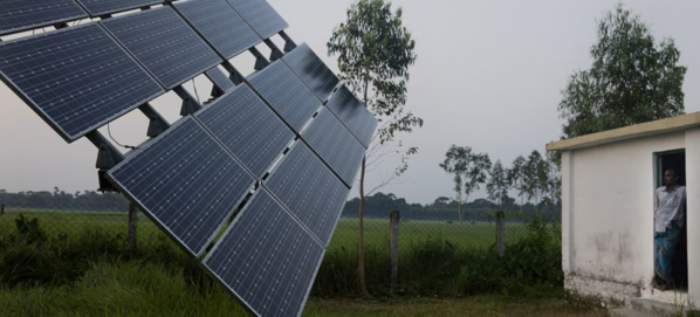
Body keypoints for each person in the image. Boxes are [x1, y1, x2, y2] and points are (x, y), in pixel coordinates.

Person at [653, 168, 687, 290]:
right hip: (660, 228)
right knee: (656, 257)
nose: (667, 178)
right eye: (665, 175)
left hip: (673, 228)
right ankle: (662, 280)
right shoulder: (659, 191)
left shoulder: (682, 191)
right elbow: (656, 209)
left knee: (664, 255)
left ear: (676, 177)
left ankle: (669, 282)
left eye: (670, 176)